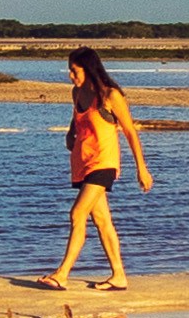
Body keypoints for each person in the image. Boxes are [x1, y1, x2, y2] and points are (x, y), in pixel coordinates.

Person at [43, 45, 149, 292]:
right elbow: (76, 120)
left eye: (74, 70)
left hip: (104, 163)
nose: (70, 75)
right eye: (69, 70)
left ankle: (62, 273)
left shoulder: (110, 96)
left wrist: (141, 168)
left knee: (77, 214)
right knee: (102, 220)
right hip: (83, 162)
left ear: (88, 69)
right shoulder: (77, 93)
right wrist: (70, 135)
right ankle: (119, 275)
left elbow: (130, 132)